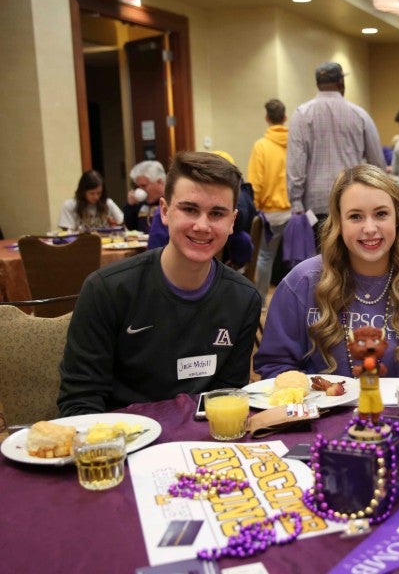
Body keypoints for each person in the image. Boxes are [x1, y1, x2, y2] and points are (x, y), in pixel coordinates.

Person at [58, 152, 262, 415]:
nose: (202, 225)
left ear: (232, 221)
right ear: (164, 212)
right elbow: (79, 403)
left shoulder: (244, 300)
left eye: (217, 214)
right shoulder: (106, 290)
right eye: (190, 209)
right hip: (121, 445)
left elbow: (228, 397)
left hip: (199, 446)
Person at [254, 164, 399, 380]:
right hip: (320, 411)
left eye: (381, 214)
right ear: (339, 222)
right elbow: (275, 366)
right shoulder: (302, 282)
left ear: (397, 219)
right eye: (355, 217)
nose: (369, 228)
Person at [286, 62, 386, 243]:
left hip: (315, 206)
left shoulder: (302, 114)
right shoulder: (360, 114)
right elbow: (377, 164)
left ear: (318, 84)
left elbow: (296, 165)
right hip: (355, 201)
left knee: (321, 259)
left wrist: (296, 202)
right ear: (341, 83)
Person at [247, 98, 290, 301]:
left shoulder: (261, 146)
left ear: (267, 118)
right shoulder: (294, 144)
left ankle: (262, 301)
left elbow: (256, 183)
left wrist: (255, 209)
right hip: (295, 212)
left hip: (271, 214)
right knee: (295, 257)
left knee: (265, 256)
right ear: (285, 117)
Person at [58, 170, 124, 231]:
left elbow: (122, 222)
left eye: (99, 193)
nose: (96, 197)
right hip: (80, 242)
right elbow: (66, 232)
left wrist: (115, 225)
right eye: (92, 193)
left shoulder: (107, 203)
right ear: (83, 192)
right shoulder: (70, 205)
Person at [123, 160, 166, 233]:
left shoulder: (171, 201)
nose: (140, 190)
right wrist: (130, 206)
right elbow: (131, 228)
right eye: (138, 186)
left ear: (160, 182)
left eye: (143, 186)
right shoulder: (141, 203)